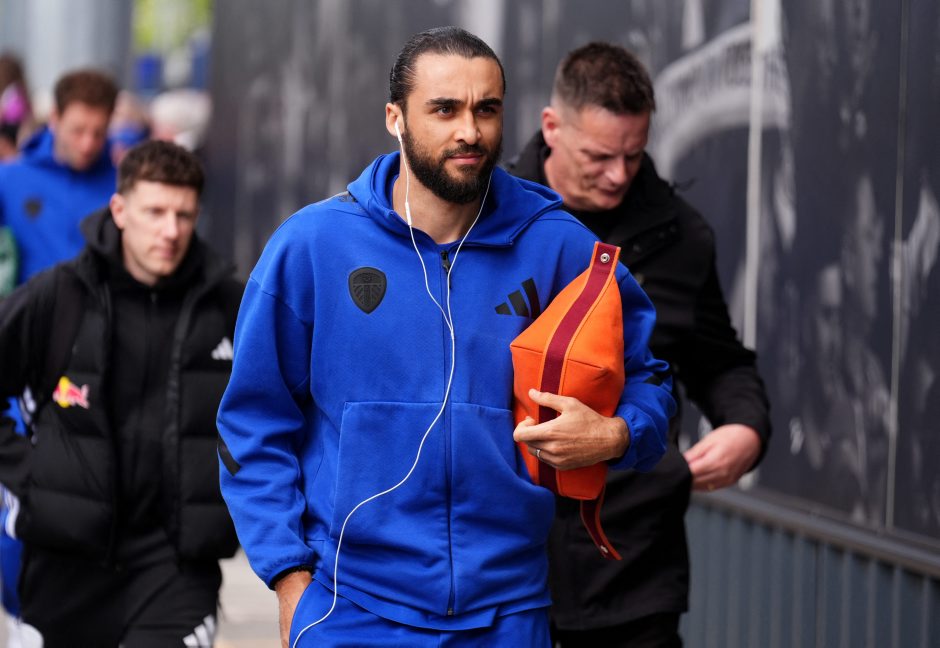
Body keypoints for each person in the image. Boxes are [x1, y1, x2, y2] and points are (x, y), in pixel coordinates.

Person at [217, 26, 675, 648]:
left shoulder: (558, 246)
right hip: (348, 606)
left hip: (507, 611)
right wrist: (289, 577)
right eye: (444, 109)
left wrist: (617, 434)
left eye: (486, 109)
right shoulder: (313, 245)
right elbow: (253, 420)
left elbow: (649, 377)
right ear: (395, 118)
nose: (470, 131)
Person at [506, 42, 771, 647]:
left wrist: (747, 428)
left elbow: (719, 361)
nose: (619, 175)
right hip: (502, 564)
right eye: (599, 156)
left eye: (634, 154)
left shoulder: (681, 234)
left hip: (633, 563)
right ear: (552, 128)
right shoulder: (487, 221)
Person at [0, 140, 242, 646]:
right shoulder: (60, 295)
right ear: (119, 210)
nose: (170, 230)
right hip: (63, 568)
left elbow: (282, 414)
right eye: (155, 212)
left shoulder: (229, 307)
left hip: (175, 570)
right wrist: (27, 479)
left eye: (184, 214)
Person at [0, 68, 118, 290]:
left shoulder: (123, 186)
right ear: (55, 117)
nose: (87, 144)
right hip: (27, 307)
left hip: (101, 308)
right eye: (78, 130)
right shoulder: (9, 179)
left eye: (98, 133)